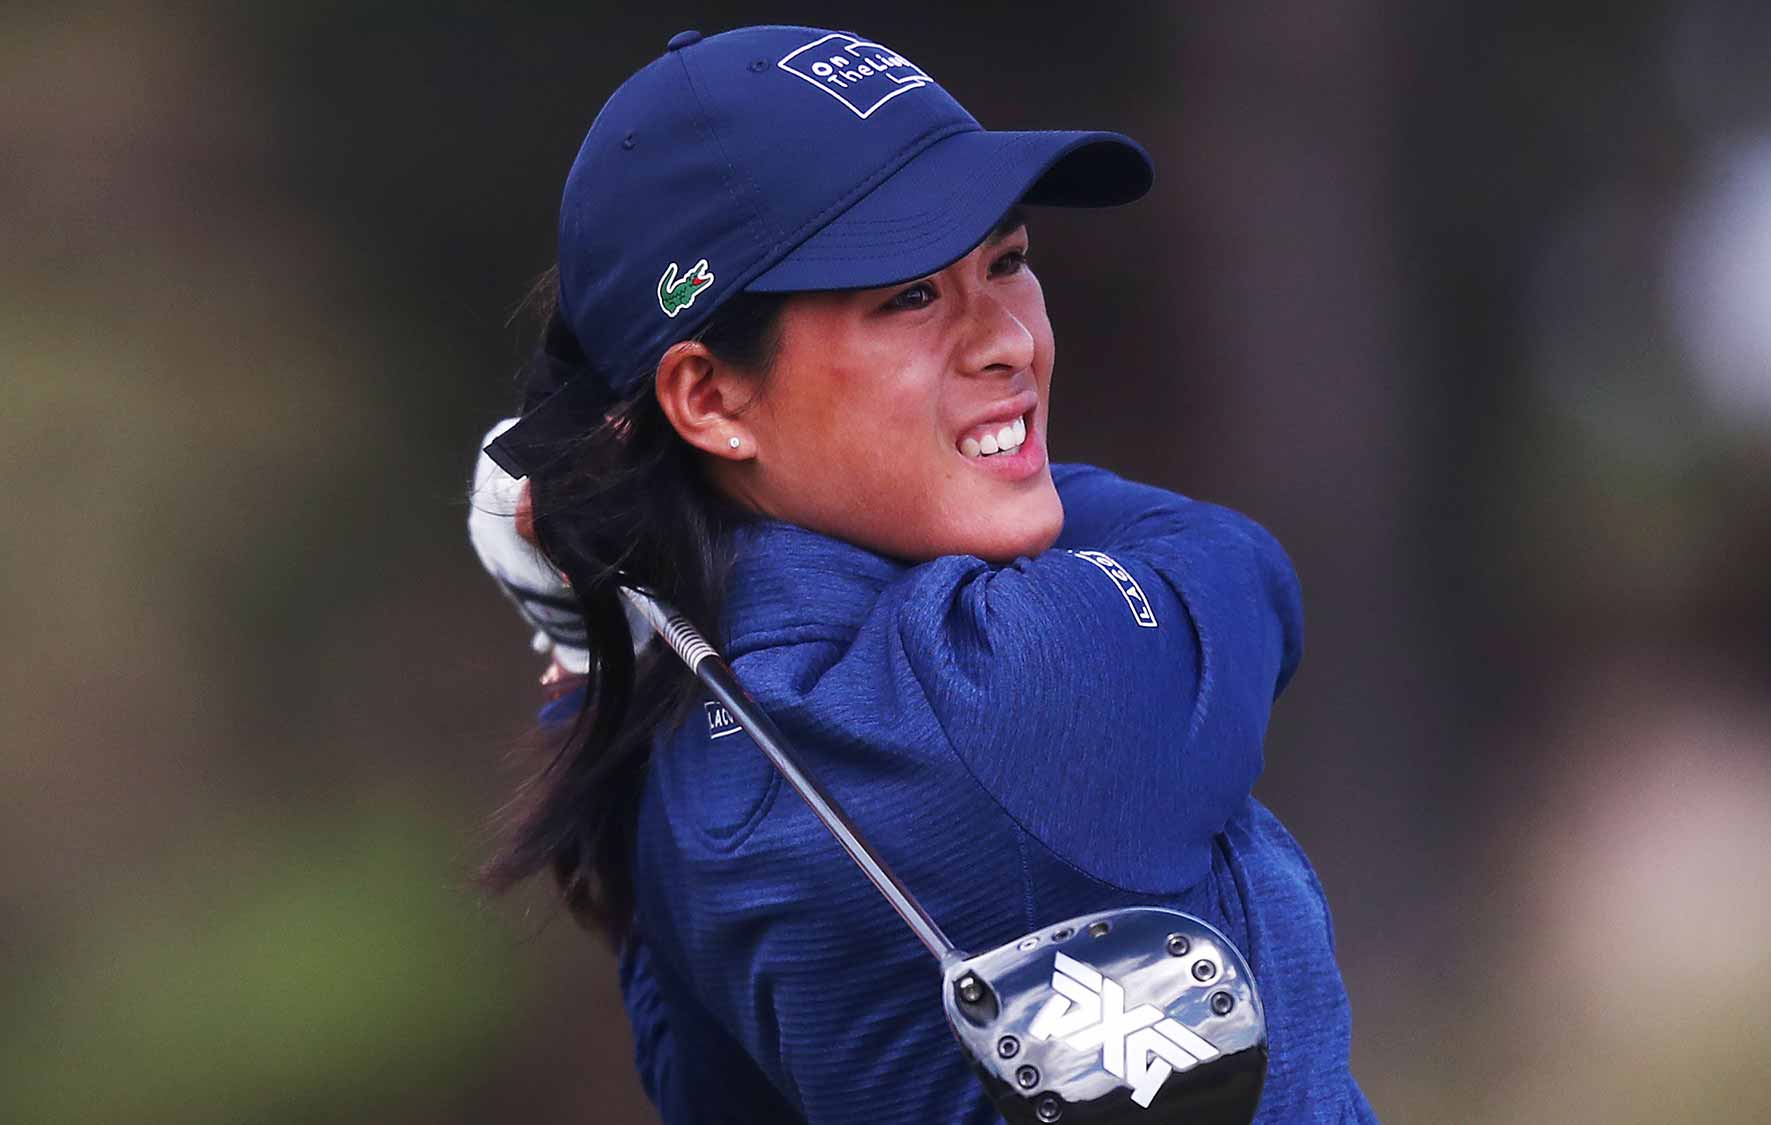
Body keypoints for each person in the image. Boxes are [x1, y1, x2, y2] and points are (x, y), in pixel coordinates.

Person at [468, 24, 1377, 1124]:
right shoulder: (989, 697)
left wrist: (605, 572)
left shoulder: (677, 753)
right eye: (906, 297)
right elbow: (1234, 563)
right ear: (707, 399)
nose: (1008, 343)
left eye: (1006, 262)